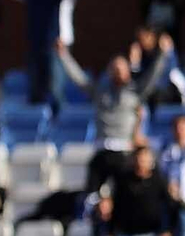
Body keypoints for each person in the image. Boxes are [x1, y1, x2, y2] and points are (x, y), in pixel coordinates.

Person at [59, 35, 171, 194]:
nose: (118, 71)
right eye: (114, 68)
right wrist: (63, 55)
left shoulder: (135, 92)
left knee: (123, 194)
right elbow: (78, 78)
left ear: (127, 70)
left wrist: (163, 54)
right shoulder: (100, 92)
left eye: (121, 68)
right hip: (101, 149)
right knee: (90, 194)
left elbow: (152, 76)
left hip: (123, 152)